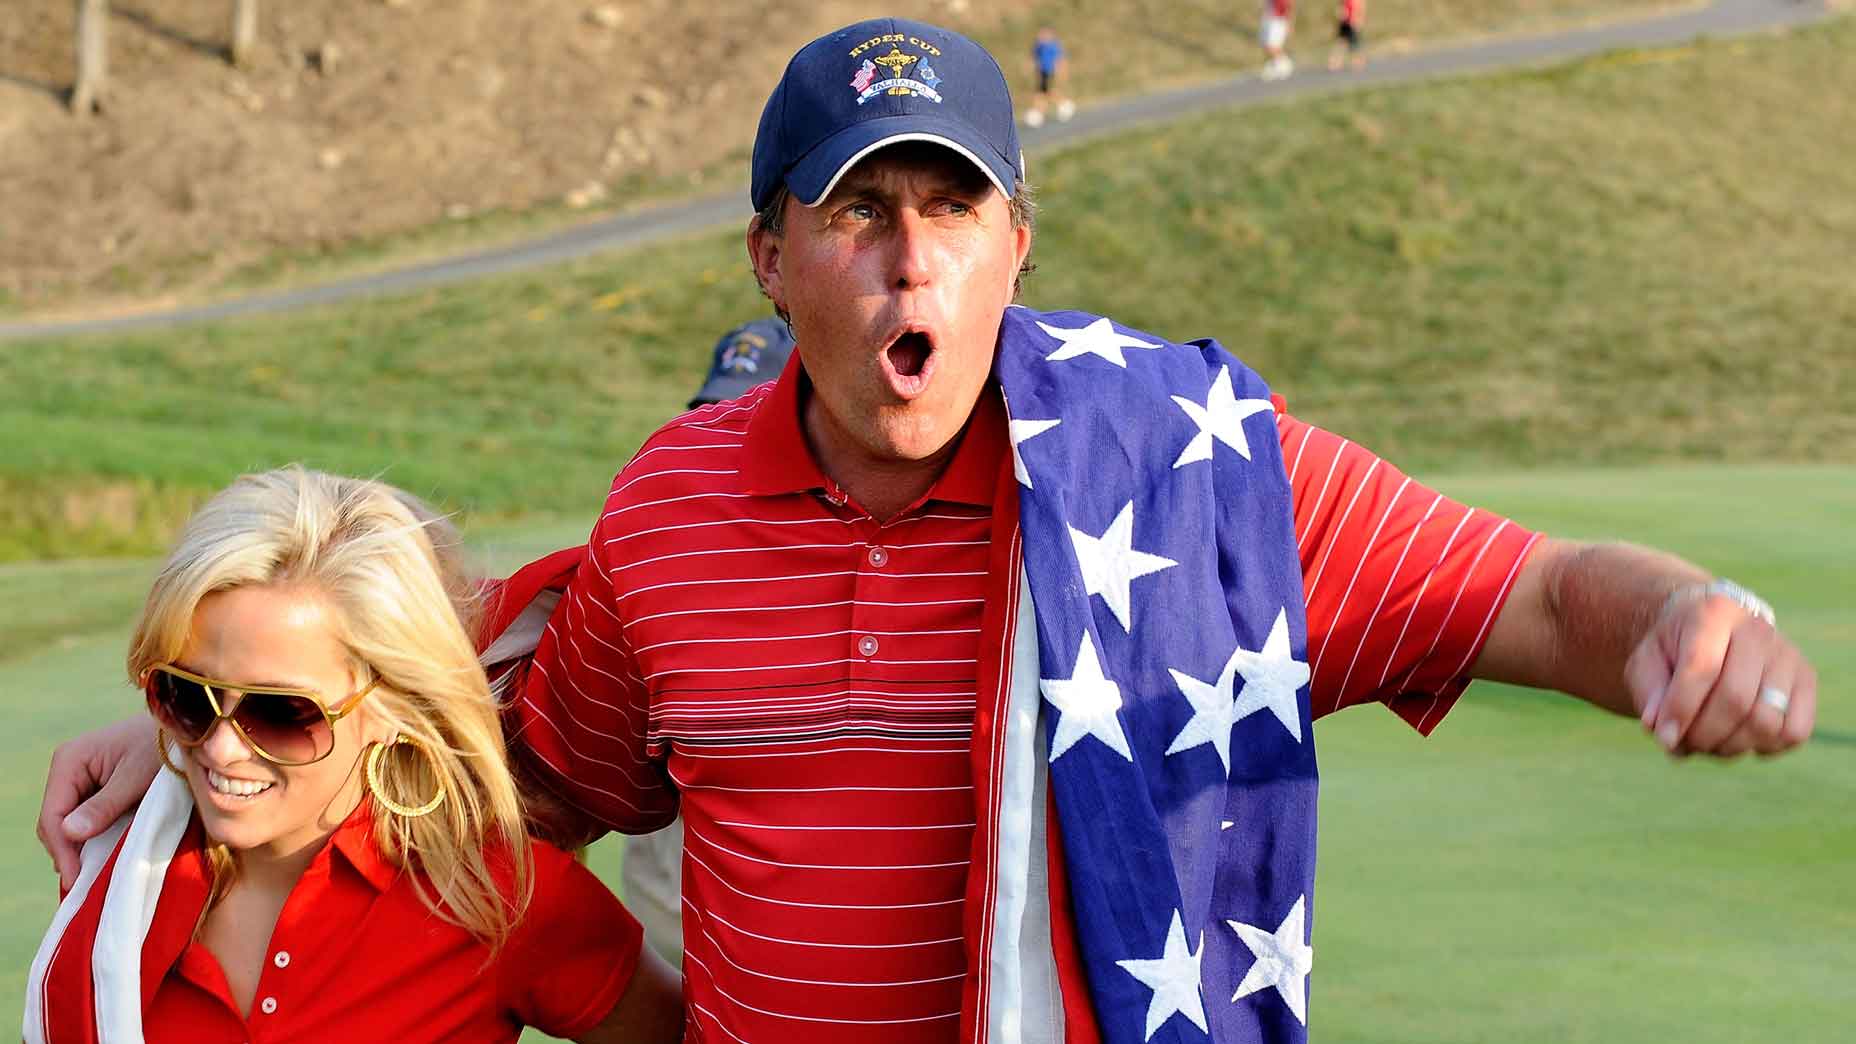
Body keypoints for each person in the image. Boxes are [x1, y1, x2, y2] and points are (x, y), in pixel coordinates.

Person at [39, 18, 1819, 1044]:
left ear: (1015, 244)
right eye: (857, 210)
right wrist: (202, 707)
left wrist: (1685, 611)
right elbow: (500, 753)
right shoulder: (672, 512)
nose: (910, 256)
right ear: (768, 256)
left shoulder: (1189, 473)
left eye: (952, 209)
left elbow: (1529, 592)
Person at [25, 467, 681, 1043]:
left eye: (281, 712)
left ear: (391, 709)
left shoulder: (505, 898)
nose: (222, 746)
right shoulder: (118, 865)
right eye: (186, 694)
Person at [623, 315, 800, 961]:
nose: (734, 430)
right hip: (672, 931)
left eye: (760, 406)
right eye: (718, 408)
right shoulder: (659, 546)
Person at [1025, 26, 1075, 127]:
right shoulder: (1038, 46)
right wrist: (1031, 67)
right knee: (1042, 93)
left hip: (1050, 71)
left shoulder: (1053, 46)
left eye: (1043, 35)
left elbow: (1059, 59)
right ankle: (1041, 112)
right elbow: (1034, 57)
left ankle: (1063, 105)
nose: (1040, 37)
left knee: (1045, 92)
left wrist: (1061, 71)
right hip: (1042, 72)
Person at [1261, 0, 1297, 80]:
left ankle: (1284, 64)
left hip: (1279, 20)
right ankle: (1277, 64)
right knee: (1266, 44)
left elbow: (1289, 6)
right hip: (1269, 18)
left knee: (1272, 45)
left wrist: (1289, 22)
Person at [1329, 0, 1366, 71]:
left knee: (1354, 43)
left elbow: (1359, 7)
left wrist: (1358, 20)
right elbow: (1341, 7)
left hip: (1352, 22)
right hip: (1345, 23)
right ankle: (1335, 62)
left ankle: (1358, 62)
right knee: (1341, 42)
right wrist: (1341, 14)